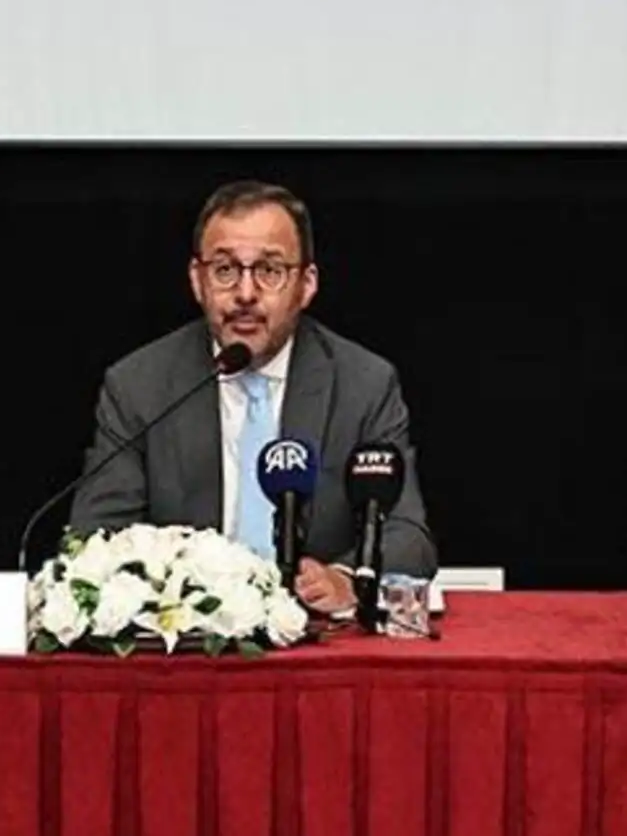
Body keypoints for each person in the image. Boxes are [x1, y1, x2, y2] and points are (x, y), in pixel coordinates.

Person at [69, 180, 436, 615]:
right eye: (225, 270)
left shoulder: (363, 384)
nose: (245, 294)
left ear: (306, 284)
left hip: (314, 639)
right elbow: (96, 536)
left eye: (270, 271)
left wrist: (347, 579)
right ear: (197, 280)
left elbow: (409, 536)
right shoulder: (139, 386)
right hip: (188, 645)